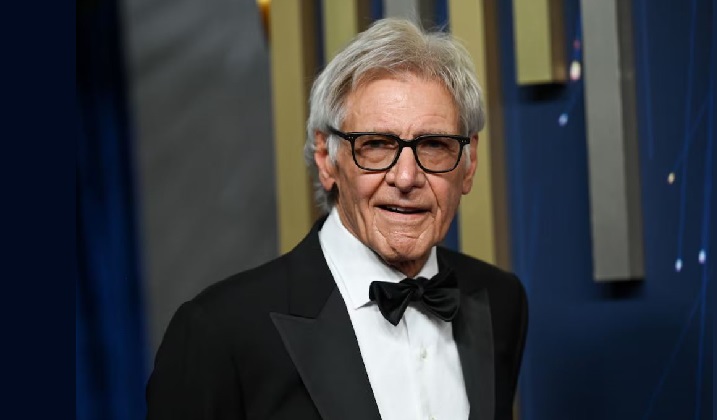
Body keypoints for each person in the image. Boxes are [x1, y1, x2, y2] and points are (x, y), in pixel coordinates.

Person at [146, 17, 528, 420]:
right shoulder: (218, 333)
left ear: (468, 164)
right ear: (327, 160)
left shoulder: (500, 303)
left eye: (433, 145)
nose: (406, 177)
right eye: (377, 145)